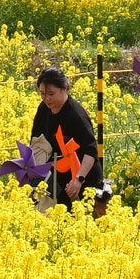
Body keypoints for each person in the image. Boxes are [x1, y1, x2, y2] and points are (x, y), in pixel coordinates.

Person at [31, 67, 98, 210]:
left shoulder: (76, 115)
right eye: (42, 93)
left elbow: (91, 151)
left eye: (51, 94)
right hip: (56, 175)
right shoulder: (43, 110)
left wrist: (78, 180)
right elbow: (36, 141)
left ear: (65, 88)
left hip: (82, 176)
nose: (46, 98)